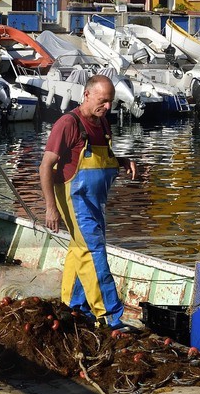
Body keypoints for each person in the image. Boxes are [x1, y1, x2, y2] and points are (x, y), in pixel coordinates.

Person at [38, 75, 139, 328]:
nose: (107, 107)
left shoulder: (103, 124)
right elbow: (45, 167)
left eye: (110, 102)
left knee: (79, 249)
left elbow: (105, 158)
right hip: (75, 200)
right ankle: (110, 316)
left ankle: (74, 305)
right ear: (86, 94)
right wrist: (51, 207)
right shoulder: (68, 123)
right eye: (102, 101)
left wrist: (122, 161)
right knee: (93, 251)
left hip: (96, 202)